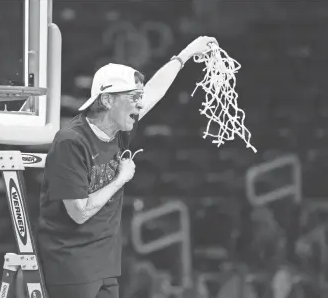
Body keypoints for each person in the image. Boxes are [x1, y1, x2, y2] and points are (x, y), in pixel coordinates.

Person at [37, 36, 218, 298]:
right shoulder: (71, 141)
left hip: (105, 263)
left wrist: (186, 54)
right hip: (70, 263)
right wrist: (120, 179)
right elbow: (78, 212)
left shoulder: (119, 130)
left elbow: (156, 90)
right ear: (108, 101)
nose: (140, 103)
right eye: (133, 97)